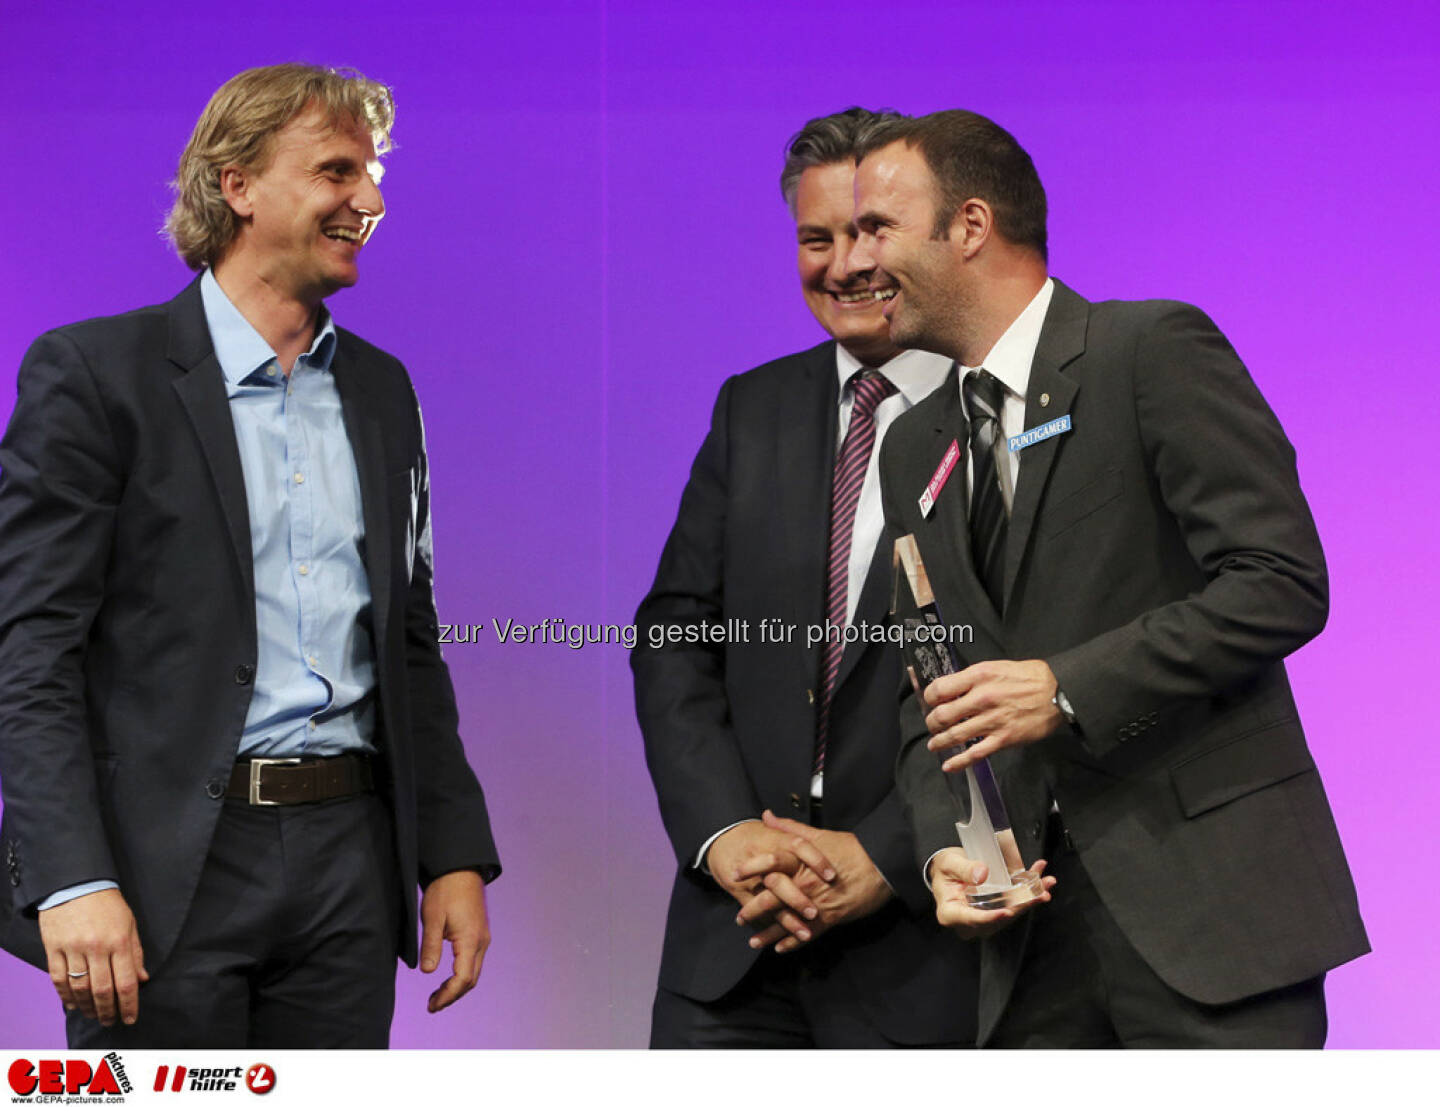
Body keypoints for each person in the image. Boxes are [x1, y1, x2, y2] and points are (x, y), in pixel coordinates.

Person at [0, 63, 500, 1048]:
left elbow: (407, 644)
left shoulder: (383, 392)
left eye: (373, 173)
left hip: (348, 870)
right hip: (161, 873)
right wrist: (70, 875)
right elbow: (32, 653)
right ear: (237, 186)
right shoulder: (97, 377)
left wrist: (452, 856)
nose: (371, 200)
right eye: (337, 171)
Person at [851, 109, 1368, 1047]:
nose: (854, 261)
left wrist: (1065, 687)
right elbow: (924, 689)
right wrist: (942, 853)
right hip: (1028, 947)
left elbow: (1279, 578)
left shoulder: (1150, 352)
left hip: (1209, 916)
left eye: (877, 227)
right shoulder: (915, 446)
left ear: (969, 227)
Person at [631, 108, 978, 1048]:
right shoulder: (754, 407)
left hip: (923, 949)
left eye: (870, 232)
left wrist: (884, 856)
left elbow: (1030, 667)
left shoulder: (998, 406)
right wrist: (726, 835)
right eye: (816, 237)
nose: (843, 264)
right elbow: (673, 636)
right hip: (734, 943)